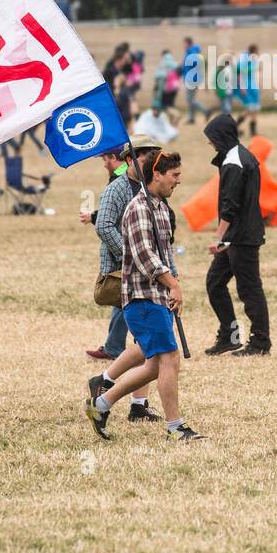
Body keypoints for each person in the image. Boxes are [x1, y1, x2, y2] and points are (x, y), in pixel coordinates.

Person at [85, 150, 203, 442]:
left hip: (158, 296)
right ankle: (176, 428)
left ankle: (100, 404)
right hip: (141, 298)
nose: (178, 180)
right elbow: (144, 256)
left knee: (153, 364)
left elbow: (165, 254)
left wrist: (175, 286)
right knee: (169, 358)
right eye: (174, 175)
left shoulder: (161, 207)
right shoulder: (138, 208)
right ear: (156, 174)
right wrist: (171, 284)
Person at [84, 146, 161, 422]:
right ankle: (109, 385)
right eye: (145, 158)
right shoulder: (116, 189)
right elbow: (103, 226)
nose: (151, 163)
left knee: (146, 339)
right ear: (130, 159)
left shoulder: (149, 186)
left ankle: (133, 401)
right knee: (149, 339)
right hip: (123, 271)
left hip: (144, 270)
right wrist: (131, 254)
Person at [202, 113, 271, 356]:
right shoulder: (241, 155)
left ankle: (260, 342)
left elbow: (230, 205)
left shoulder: (234, 162)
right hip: (237, 236)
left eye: (211, 138)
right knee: (215, 283)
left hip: (240, 238)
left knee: (250, 290)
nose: (209, 142)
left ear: (220, 136)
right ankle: (229, 337)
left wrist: (219, 238)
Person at [182, 37, 210, 124]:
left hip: (191, 79)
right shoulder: (191, 52)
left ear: (188, 43)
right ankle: (191, 118)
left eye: (184, 43)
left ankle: (205, 110)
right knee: (191, 99)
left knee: (190, 99)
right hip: (193, 78)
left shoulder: (191, 53)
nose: (183, 45)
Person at [237, 44, 261, 137]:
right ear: (254, 51)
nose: (259, 52)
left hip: (253, 87)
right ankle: (235, 126)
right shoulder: (244, 59)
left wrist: (257, 87)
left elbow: (252, 76)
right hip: (247, 88)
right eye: (258, 50)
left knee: (254, 109)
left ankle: (253, 132)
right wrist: (242, 87)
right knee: (250, 109)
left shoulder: (253, 60)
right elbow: (239, 73)